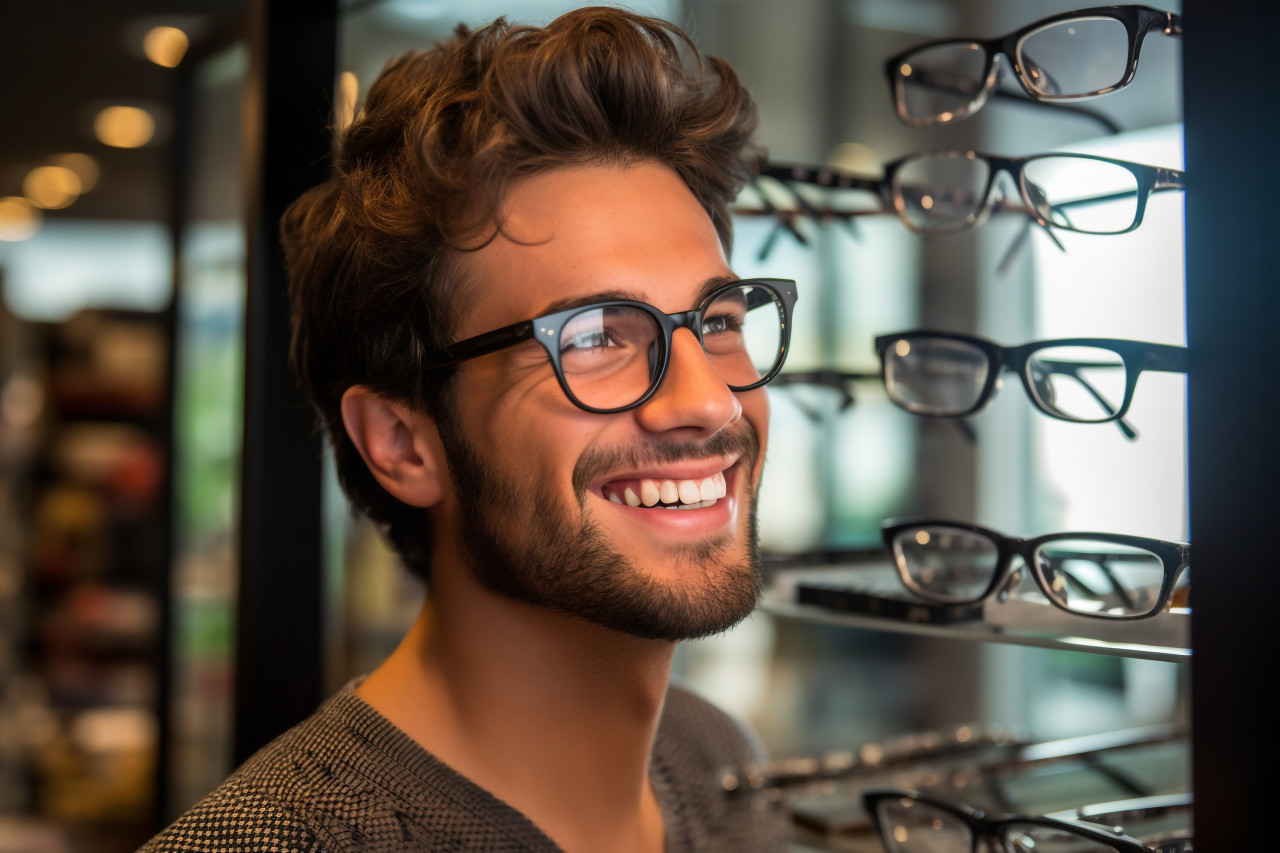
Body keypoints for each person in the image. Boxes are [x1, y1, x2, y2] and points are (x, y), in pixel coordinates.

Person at [142, 6, 796, 852]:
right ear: (402, 442)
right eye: (596, 336)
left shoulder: (713, 760)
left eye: (718, 320)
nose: (707, 399)